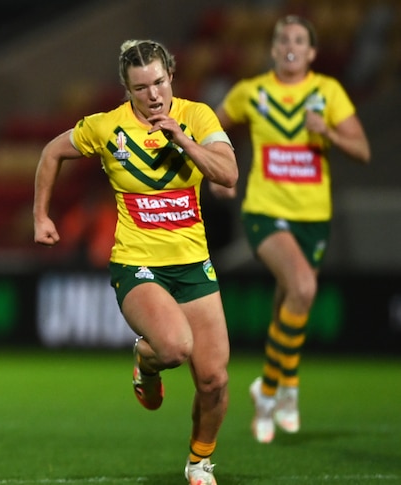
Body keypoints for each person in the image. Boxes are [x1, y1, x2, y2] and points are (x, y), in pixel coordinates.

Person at [34, 39, 238, 485]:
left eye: (159, 82)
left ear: (171, 76)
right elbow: (52, 152)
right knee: (175, 348)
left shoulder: (197, 116)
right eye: (141, 86)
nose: (153, 94)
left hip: (194, 265)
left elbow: (227, 174)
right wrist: (41, 215)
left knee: (214, 379)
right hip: (137, 264)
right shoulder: (107, 128)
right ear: (126, 89)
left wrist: (182, 139)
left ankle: (199, 461)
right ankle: (146, 362)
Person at [211, 15, 371, 444]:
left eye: (299, 39)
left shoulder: (328, 92)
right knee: (303, 287)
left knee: (289, 299)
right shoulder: (251, 91)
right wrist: (215, 171)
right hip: (264, 211)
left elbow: (363, 149)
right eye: (283, 38)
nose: (290, 45)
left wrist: (331, 134)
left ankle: (282, 383)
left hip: (313, 217)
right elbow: (211, 128)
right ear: (273, 47)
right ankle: (271, 392)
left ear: (312, 52)